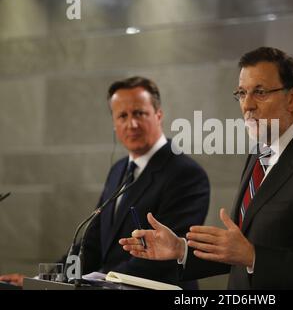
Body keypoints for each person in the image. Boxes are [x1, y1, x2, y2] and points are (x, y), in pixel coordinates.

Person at [119, 47, 293, 289]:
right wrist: (181, 249)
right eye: (242, 93)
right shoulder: (260, 150)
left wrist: (253, 256)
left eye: (260, 92)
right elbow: (238, 250)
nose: (248, 105)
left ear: (292, 98)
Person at [0, 76, 210, 289]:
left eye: (139, 113)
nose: (132, 124)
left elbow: (164, 256)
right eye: (122, 116)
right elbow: (91, 245)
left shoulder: (186, 174)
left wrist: (94, 282)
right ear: (114, 123)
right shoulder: (119, 170)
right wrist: (41, 281)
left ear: (158, 115)